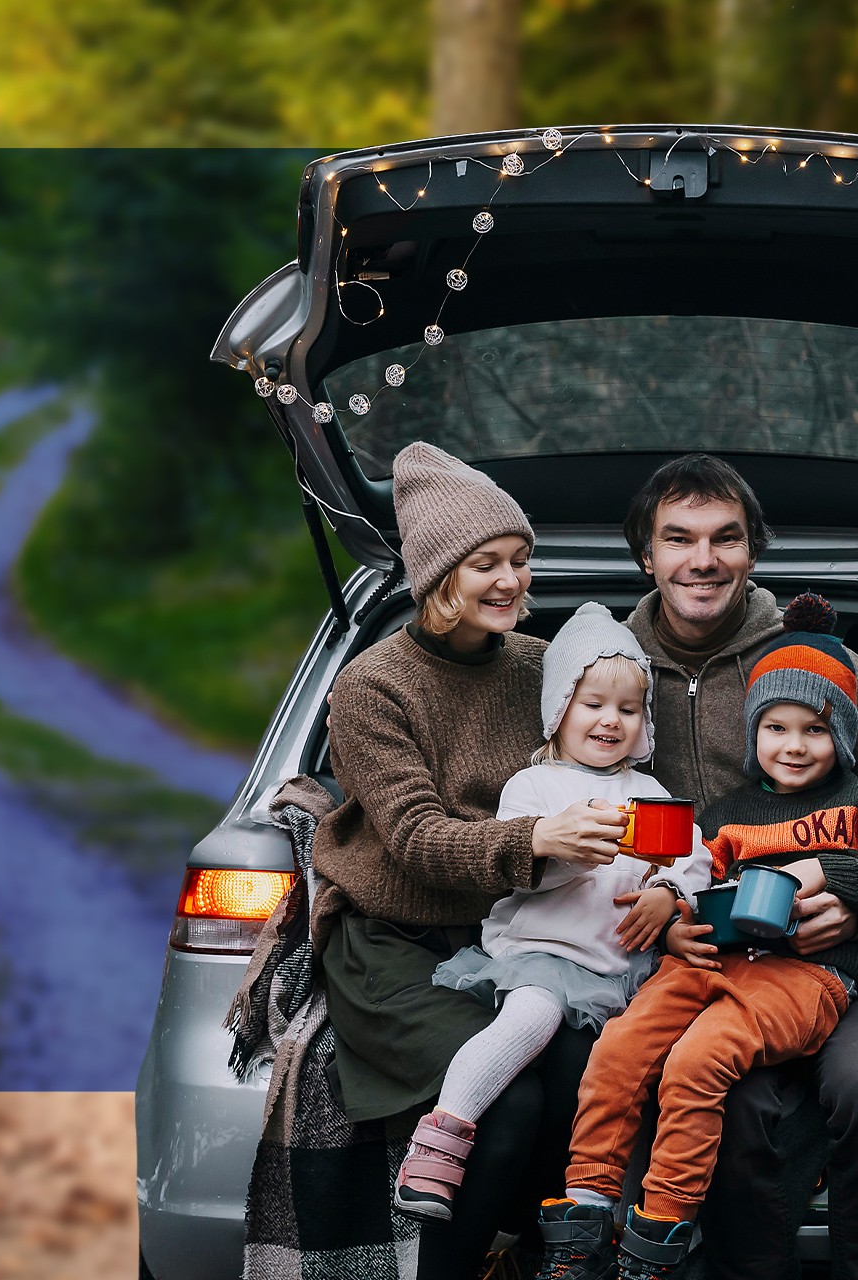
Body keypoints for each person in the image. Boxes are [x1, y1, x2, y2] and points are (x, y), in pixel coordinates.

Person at [248, 441, 634, 1278]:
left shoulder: (542, 669)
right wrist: (533, 840)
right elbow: (416, 840)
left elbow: (625, 737)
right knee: (508, 1102)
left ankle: (528, 1257)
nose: (512, 581)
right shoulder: (372, 685)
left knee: (580, 1075)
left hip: (507, 938)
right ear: (437, 576)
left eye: (520, 561)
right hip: (393, 943)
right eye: (488, 563)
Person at [619, 454, 858, 1280]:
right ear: (647, 555)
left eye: (725, 539)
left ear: (752, 551)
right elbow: (554, 814)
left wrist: (854, 900)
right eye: (679, 539)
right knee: (730, 1102)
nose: (702, 560)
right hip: (700, 964)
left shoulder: (816, 666)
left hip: (836, 963)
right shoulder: (606, 671)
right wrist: (665, 917)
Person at [532, 602, 858, 1280]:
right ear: (752, 731)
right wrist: (673, 919)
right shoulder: (726, 816)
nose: (793, 744)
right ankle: (584, 1213)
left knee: (697, 1061)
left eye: (814, 729)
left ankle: (659, 1234)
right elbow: (686, 879)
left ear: (841, 735)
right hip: (716, 963)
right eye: (775, 727)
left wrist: (822, 871)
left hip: (807, 976)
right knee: (619, 1047)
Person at [392, 603, 710, 1221]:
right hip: (542, 955)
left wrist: (668, 893)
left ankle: (605, 1214)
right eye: (592, 704)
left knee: (628, 1072)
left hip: (618, 970)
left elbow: (692, 856)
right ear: (559, 708)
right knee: (528, 1024)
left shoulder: (650, 793)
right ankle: (440, 1142)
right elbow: (521, 867)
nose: (610, 721)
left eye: (627, 708)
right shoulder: (533, 788)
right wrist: (574, 851)